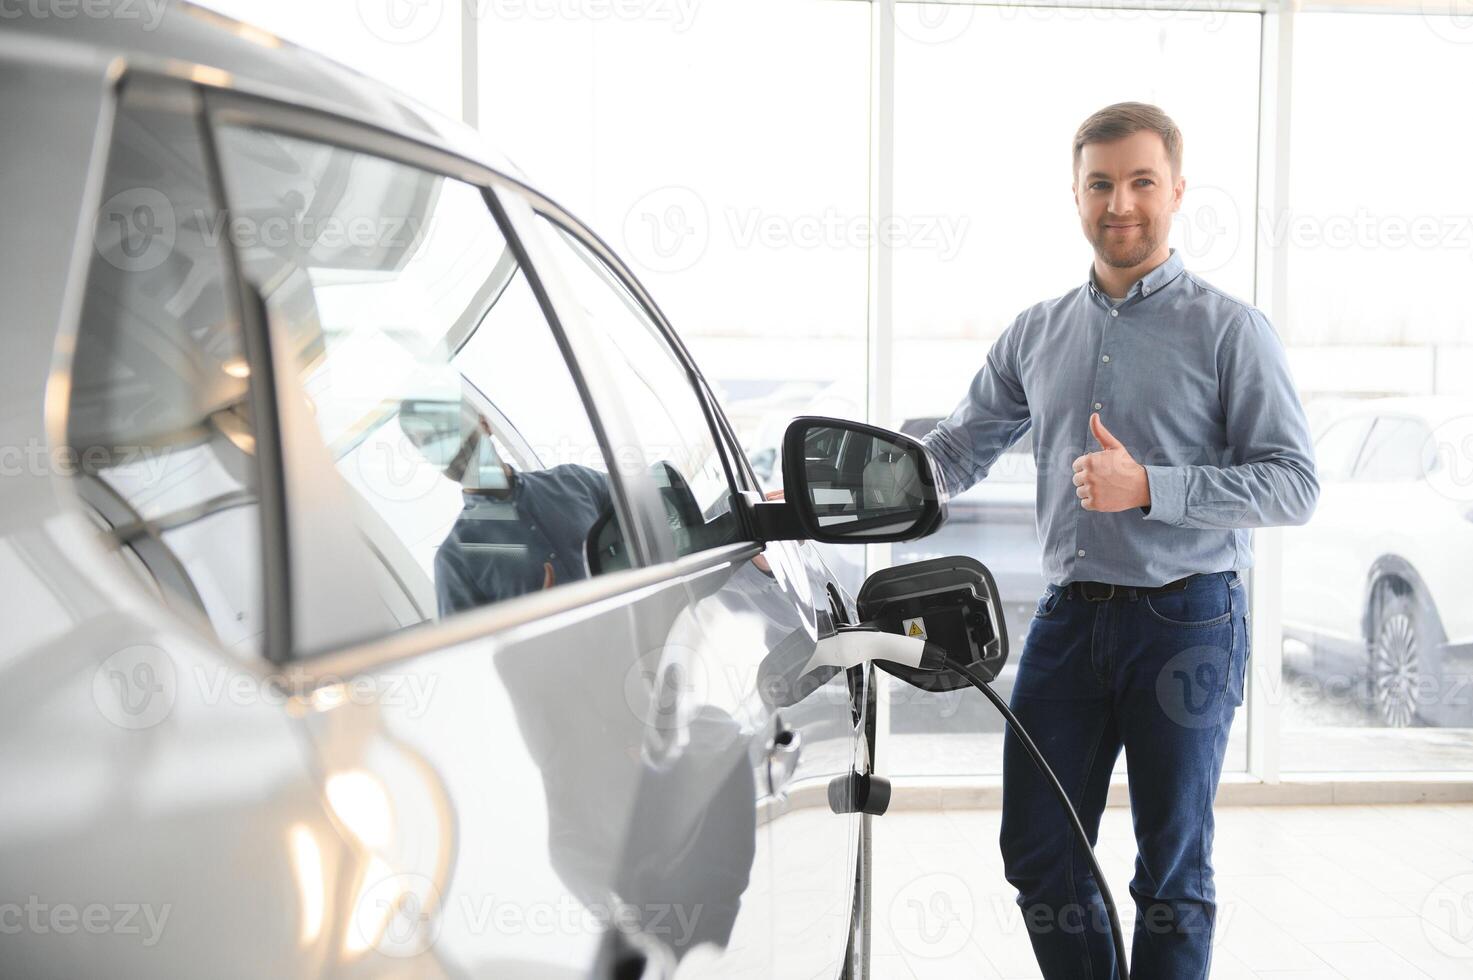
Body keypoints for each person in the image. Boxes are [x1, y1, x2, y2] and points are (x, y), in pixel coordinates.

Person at [920, 102, 1319, 979]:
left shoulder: (1230, 331)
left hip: (1188, 622)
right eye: (1100, 183)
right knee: (1034, 846)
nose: (1120, 202)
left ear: (1177, 191)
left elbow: (1294, 483)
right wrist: (825, 497)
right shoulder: (1036, 330)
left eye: (1141, 181)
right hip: (1070, 621)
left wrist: (1151, 488)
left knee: (1171, 867)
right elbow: (955, 451)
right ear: (1074, 195)